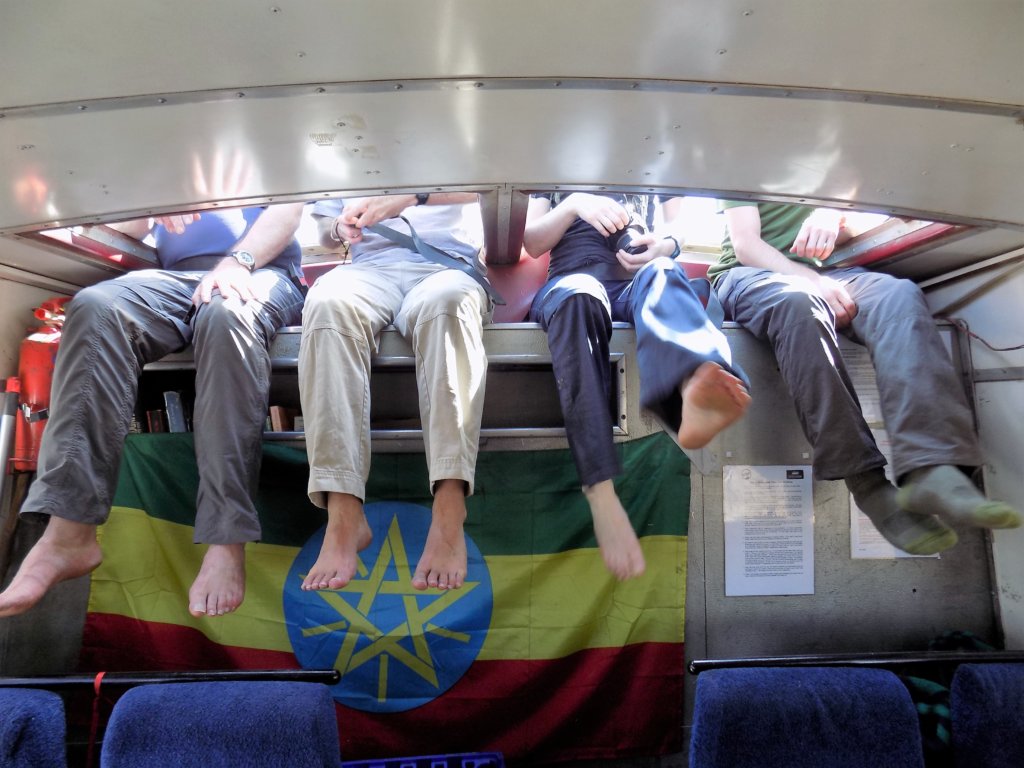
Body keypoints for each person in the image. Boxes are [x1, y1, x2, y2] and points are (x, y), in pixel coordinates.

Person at [0, 204, 305, 618]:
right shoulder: (161, 151)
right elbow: (127, 226)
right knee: (95, 306)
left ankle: (226, 538)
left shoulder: (266, 143)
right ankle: (69, 533)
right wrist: (154, 204)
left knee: (225, 314)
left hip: (261, 271)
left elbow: (287, 213)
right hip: (178, 278)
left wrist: (239, 262)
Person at [713, 201, 1021, 554]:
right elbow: (746, 244)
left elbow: (874, 211)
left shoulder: (840, 157)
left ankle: (932, 467)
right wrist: (809, 279)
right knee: (798, 303)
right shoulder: (748, 151)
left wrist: (833, 214)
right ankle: (868, 484)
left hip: (834, 273)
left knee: (897, 295)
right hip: (750, 273)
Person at [523, 192, 751, 580]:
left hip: (634, 283)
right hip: (571, 281)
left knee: (663, 272)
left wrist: (664, 245)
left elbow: (678, 226)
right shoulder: (550, 161)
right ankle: (600, 490)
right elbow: (531, 240)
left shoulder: (648, 155)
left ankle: (695, 390)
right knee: (579, 293)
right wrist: (576, 204)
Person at [301, 193, 491, 592]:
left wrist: (407, 198)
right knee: (326, 303)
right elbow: (323, 228)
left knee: (449, 302)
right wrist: (340, 228)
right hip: (368, 269)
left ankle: (450, 503)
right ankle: (342, 510)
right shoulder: (339, 139)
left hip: (445, 266)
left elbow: (490, 187)